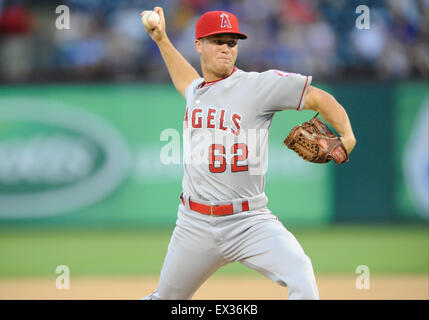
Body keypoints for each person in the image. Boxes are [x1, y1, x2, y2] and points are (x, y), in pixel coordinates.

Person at [141, 7, 356, 300]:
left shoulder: (258, 86)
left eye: (232, 42)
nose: (226, 48)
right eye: (218, 41)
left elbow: (318, 97)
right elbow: (185, 82)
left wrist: (346, 135)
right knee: (165, 299)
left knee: (301, 274)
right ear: (199, 45)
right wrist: (162, 40)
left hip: (249, 220)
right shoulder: (197, 91)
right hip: (194, 223)